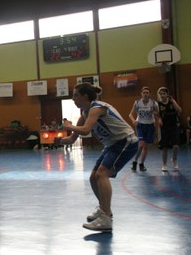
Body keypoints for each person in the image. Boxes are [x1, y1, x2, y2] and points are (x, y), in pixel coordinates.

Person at [54, 83, 138, 232]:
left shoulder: (97, 108)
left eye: (75, 95)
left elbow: (85, 130)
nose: (73, 98)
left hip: (125, 141)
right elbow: (72, 139)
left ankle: (105, 218)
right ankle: (104, 210)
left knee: (102, 174)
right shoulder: (85, 113)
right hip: (112, 144)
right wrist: (59, 140)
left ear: (85, 96)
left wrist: (69, 126)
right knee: (93, 177)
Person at [128, 86, 161, 171]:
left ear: (149, 94)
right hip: (140, 125)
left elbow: (159, 114)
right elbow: (130, 114)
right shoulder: (137, 103)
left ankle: (141, 164)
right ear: (141, 94)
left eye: (147, 92)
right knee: (141, 144)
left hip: (150, 125)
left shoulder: (154, 103)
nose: (145, 94)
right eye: (144, 92)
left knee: (145, 147)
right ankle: (135, 162)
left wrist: (154, 113)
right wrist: (133, 120)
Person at [157, 87, 182, 171]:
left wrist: (174, 101)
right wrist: (159, 119)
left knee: (176, 146)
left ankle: (174, 159)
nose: (162, 95)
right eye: (161, 94)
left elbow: (179, 110)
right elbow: (156, 114)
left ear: (167, 94)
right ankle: (164, 165)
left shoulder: (171, 102)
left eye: (164, 93)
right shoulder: (158, 104)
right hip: (164, 128)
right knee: (164, 147)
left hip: (173, 126)